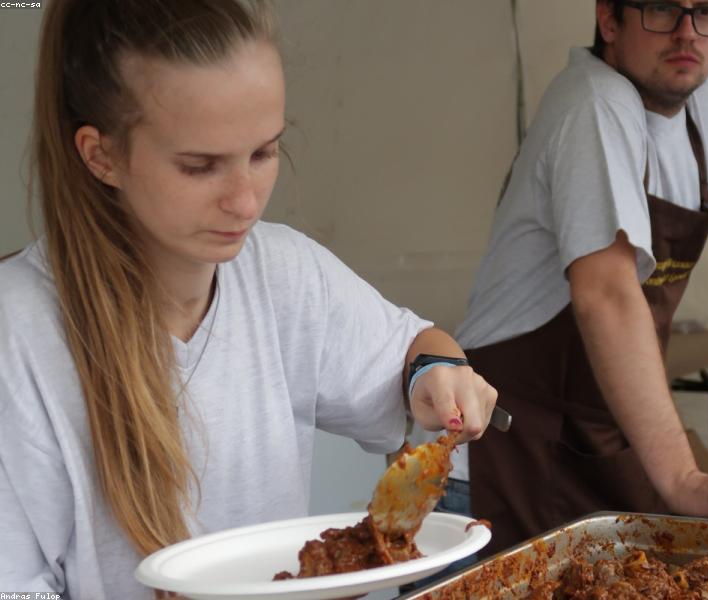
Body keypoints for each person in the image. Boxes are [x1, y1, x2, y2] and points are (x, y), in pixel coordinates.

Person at [0, 1, 498, 597]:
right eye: (199, 166)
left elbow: (413, 351)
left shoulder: (281, 273)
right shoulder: (19, 333)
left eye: (263, 153)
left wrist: (437, 371)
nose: (245, 201)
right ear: (99, 154)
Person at [456, 0, 708, 555]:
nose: (687, 32)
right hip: (508, 455)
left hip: (599, 440)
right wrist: (682, 478)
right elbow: (606, 293)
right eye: (663, 9)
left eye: (706, 12)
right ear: (609, 19)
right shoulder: (593, 103)